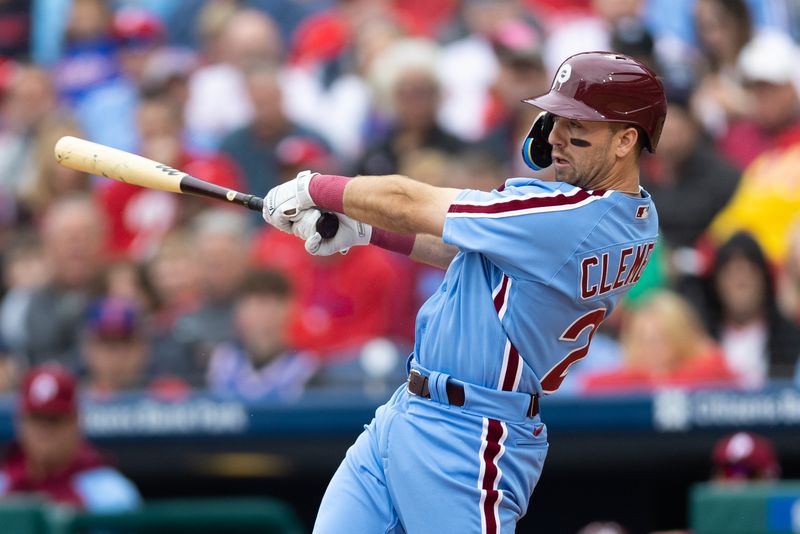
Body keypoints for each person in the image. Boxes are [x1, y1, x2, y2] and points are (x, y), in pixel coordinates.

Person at [263, 52, 666, 532]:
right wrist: (367, 232)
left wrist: (317, 186)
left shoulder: (573, 217)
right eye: (555, 118)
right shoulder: (631, 215)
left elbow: (412, 202)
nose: (555, 135)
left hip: (472, 435)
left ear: (625, 140)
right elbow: (473, 256)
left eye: (577, 123)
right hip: (411, 411)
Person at [0, 365, 141, 510]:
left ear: (76, 422)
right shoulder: (4, 483)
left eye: (54, 420)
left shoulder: (111, 492)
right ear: (20, 422)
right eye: (36, 419)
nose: (44, 431)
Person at [580, 291, 738, 393]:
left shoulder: (711, 369)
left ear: (680, 339)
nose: (650, 349)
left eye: (660, 339)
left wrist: (659, 382)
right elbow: (592, 385)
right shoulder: (625, 379)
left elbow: (717, 365)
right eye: (642, 340)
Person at [206, 269, 318, 401]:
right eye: (260, 302)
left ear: (290, 308)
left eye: (277, 302)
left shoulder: (305, 366)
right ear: (239, 309)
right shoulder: (222, 360)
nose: (268, 311)